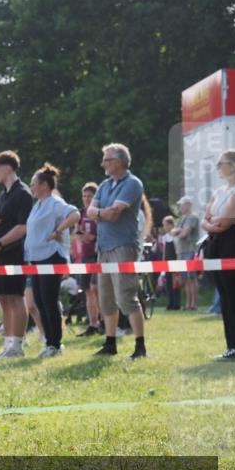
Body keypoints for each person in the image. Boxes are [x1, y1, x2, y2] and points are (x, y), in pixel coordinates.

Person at [87, 143, 147, 359]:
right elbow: (91, 211)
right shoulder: (104, 185)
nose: (103, 163)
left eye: (107, 159)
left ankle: (140, 346)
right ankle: (110, 343)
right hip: (103, 247)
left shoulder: (132, 184)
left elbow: (113, 215)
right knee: (106, 298)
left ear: (120, 161)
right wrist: (103, 212)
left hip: (123, 246)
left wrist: (99, 213)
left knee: (126, 297)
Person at [24, 164, 80, 357]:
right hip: (36, 259)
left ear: (45, 185)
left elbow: (75, 214)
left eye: (34, 184)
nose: (31, 187)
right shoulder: (37, 205)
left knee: (49, 300)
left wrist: (59, 230)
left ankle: (55, 344)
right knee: (40, 301)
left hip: (51, 256)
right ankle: (49, 342)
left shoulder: (54, 202)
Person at [0, 151, 34, 360]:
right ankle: (8, 344)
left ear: (8, 167)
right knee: (3, 299)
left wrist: (1, 242)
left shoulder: (23, 193)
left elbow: (23, 227)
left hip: (14, 253)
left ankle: (17, 345)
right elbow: (7, 221)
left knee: (15, 298)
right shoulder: (3, 195)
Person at [201, 149, 235, 360]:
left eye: (221, 164)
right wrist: (214, 223)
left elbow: (224, 223)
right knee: (225, 296)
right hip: (216, 245)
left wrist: (214, 223)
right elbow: (206, 218)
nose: (218, 168)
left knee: (234, 295)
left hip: (233, 244)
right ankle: (232, 344)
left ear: (233, 165)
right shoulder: (219, 191)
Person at [75, 183, 102, 336]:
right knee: (87, 291)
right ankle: (92, 323)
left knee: (96, 289)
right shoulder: (81, 213)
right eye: (84, 196)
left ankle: (103, 321)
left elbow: (105, 232)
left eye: (89, 196)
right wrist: (80, 236)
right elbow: (77, 231)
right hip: (85, 256)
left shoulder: (98, 212)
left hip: (98, 255)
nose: (86, 199)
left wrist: (93, 237)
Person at [171, 196, 201, 311]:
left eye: (182, 205)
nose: (180, 207)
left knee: (191, 278)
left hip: (190, 250)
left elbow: (184, 234)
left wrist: (178, 231)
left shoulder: (192, 217)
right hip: (181, 250)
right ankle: (188, 303)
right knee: (185, 279)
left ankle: (193, 304)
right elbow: (173, 231)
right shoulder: (181, 219)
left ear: (188, 205)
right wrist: (179, 231)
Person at [159, 215, 182, 310]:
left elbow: (177, 249)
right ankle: (171, 302)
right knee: (168, 283)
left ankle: (177, 303)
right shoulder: (164, 237)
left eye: (166, 225)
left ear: (171, 225)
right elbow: (164, 251)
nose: (164, 227)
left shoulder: (175, 235)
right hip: (167, 262)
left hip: (175, 261)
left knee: (175, 283)